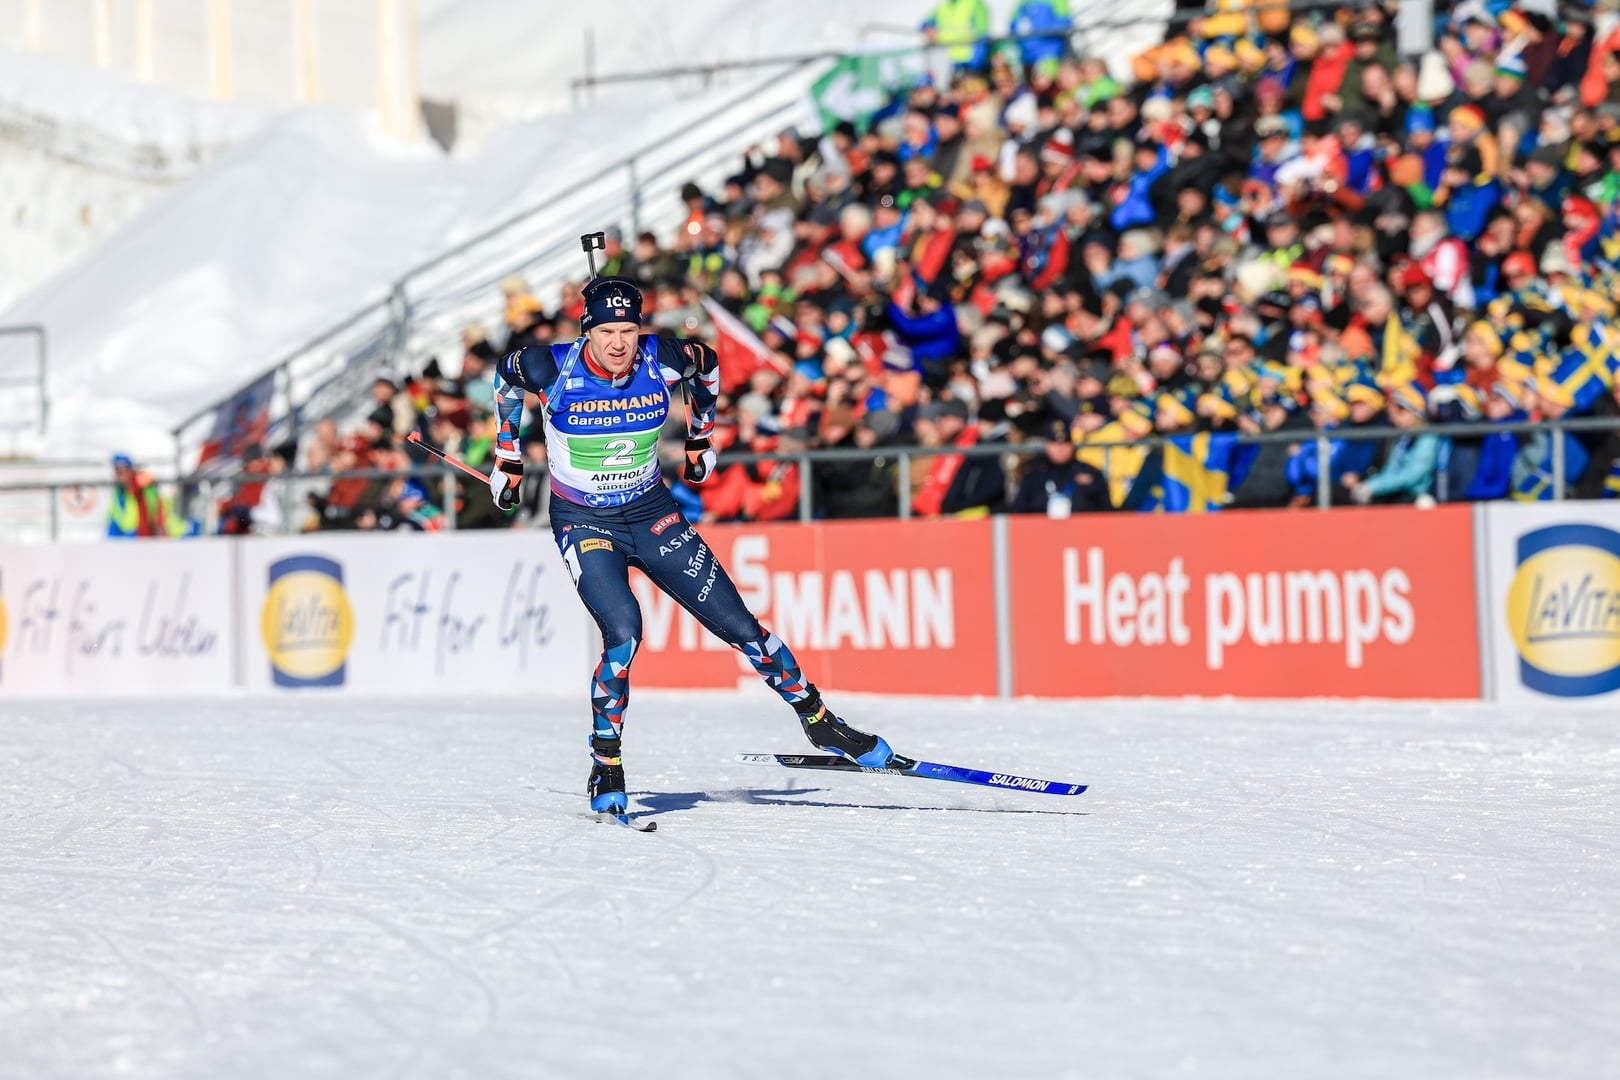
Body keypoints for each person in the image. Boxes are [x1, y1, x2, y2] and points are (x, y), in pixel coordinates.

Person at [489, 276, 894, 816]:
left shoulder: (664, 357)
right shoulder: (550, 366)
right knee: (624, 633)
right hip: (584, 521)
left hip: (652, 512)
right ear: (587, 332)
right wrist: (507, 456)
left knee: (744, 628)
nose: (617, 344)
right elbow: (504, 379)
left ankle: (820, 721)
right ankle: (606, 761)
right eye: (606, 332)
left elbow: (708, 366)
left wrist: (702, 436)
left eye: (628, 331)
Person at [107, 454, 184, 538]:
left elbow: (155, 508)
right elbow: (115, 519)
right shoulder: (119, 492)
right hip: (128, 538)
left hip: (149, 534)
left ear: (130, 470)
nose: (120, 475)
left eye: (123, 470)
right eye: (117, 470)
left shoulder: (141, 486)